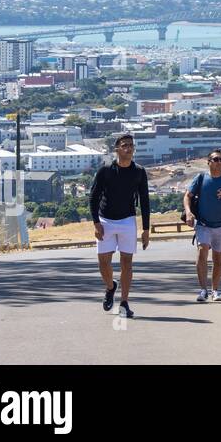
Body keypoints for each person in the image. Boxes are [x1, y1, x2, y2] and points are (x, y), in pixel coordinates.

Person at [89, 134, 150, 319]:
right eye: (124, 145)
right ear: (117, 149)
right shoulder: (105, 170)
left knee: (127, 263)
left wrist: (146, 230)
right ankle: (110, 287)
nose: (128, 148)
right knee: (103, 262)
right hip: (106, 220)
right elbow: (93, 197)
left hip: (127, 220)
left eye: (131, 145)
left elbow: (145, 201)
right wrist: (96, 223)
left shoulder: (139, 171)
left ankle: (124, 303)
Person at [183, 150, 221, 302]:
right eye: (216, 159)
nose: (219, 162)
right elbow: (187, 196)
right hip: (203, 224)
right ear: (208, 162)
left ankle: (215, 290)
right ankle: (203, 290)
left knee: (218, 259)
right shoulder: (201, 178)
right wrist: (188, 213)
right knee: (202, 251)